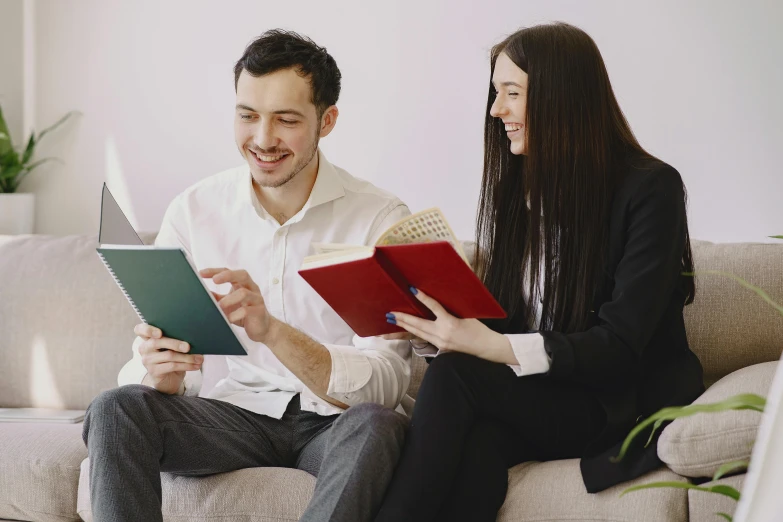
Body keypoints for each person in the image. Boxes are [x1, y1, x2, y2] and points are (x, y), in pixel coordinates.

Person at [375, 22, 705, 522]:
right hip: (542, 397)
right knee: (477, 447)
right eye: (495, 93)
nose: (496, 110)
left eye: (512, 93)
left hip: (615, 402)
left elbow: (619, 344)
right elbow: (510, 324)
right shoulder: (519, 191)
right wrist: (439, 326)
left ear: (563, 97)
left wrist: (484, 346)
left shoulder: (649, 190)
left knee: (455, 378)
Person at [82, 29, 412, 522]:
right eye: (247, 115)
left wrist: (273, 333)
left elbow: (388, 381)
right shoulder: (195, 210)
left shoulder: (379, 220)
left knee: (379, 425)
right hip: (230, 417)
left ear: (328, 120)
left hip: (335, 423)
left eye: (286, 120)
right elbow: (160, 363)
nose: (262, 139)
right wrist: (161, 374)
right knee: (116, 408)